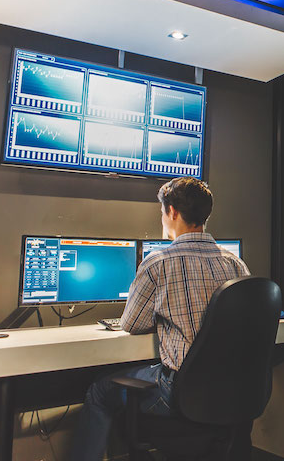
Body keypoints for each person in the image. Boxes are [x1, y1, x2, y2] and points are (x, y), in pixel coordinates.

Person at [69, 177, 250, 461]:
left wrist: (165, 316)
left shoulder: (158, 261)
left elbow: (132, 323)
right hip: (234, 390)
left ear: (173, 212)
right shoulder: (234, 263)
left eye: (162, 212)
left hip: (179, 393)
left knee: (100, 391)